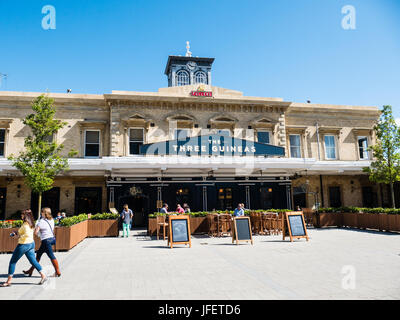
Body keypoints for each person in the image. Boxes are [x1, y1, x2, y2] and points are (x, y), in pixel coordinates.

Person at [1, 209, 47, 287]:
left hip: (23, 245)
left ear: (25, 216)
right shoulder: (32, 223)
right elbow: (24, 234)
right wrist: (17, 234)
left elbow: (19, 234)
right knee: (33, 261)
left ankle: (8, 281)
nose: (21, 216)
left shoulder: (25, 225)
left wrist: (14, 234)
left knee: (12, 262)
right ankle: (43, 275)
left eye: (22, 215)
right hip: (31, 244)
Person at [23, 207, 61, 277]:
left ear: (44, 213)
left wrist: (37, 231)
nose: (41, 213)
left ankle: (58, 272)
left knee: (51, 256)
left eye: (42, 212)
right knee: (38, 255)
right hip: (50, 239)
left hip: (46, 241)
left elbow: (36, 232)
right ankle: (30, 270)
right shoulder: (52, 220)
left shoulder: (41, 222)